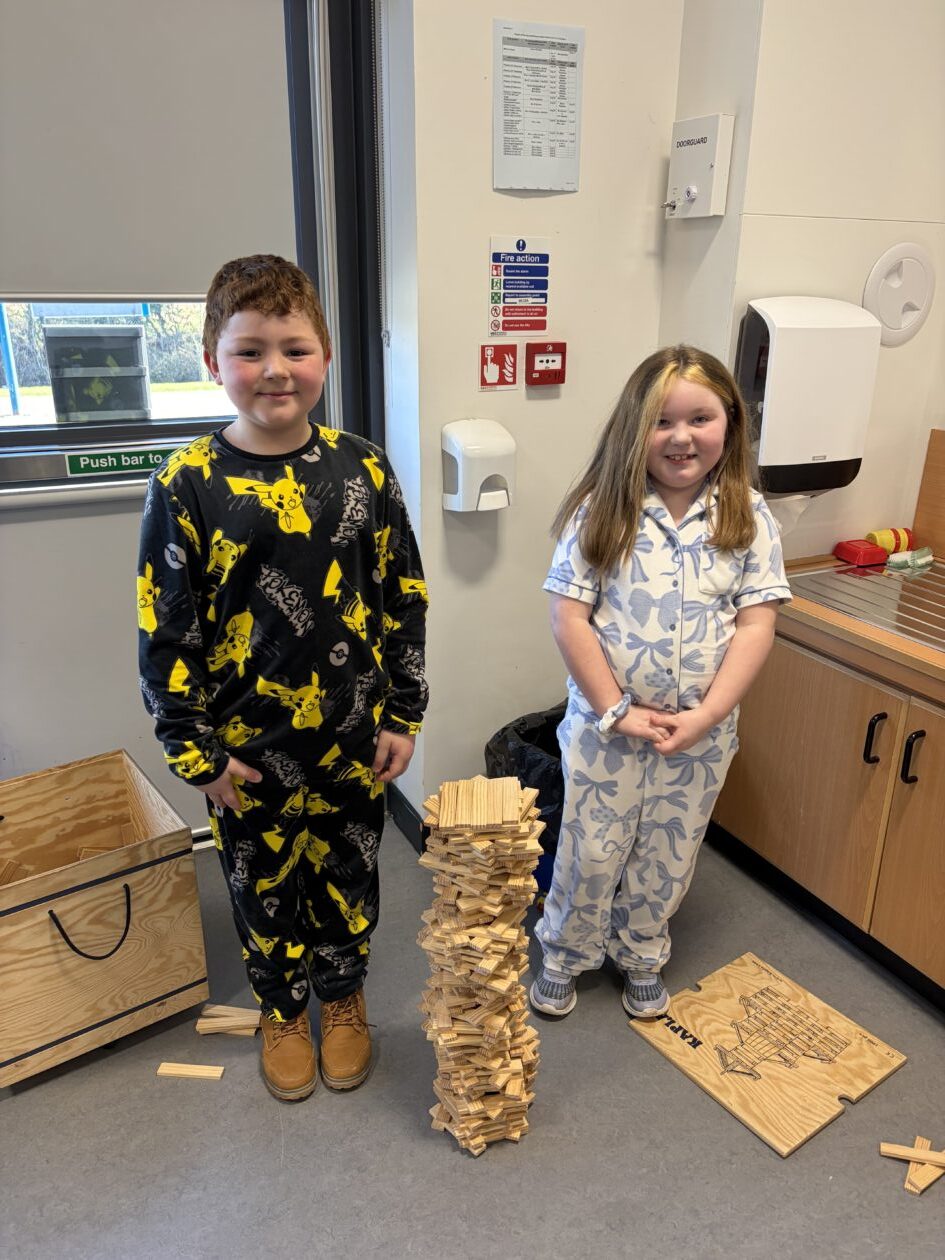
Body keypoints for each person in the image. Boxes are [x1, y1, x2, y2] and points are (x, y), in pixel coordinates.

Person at [137, 254, 428, 1101]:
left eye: (295, 349)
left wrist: (403, 713)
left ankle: (340, 996)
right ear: (212, 362)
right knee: (260, 888)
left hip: (351, 738)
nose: (275, 370)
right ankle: (280, 1007)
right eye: (250, 351)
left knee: (348, 876)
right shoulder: (186, 485)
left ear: (325, 356)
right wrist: (195, 754)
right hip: (246, 753)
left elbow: (402, 596)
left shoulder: (364, 470)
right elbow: (165, 631)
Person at [529, 345, 789, 1021]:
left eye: (699, 419)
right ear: (633, 429)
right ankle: (565, 950)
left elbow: (756, 626)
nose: (681, 437)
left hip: (697, 736)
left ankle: (641, 951)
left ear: (729, 423)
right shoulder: (601, 511)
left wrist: (707, 716)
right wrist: (614, 709)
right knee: (590, 848)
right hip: (606, 732)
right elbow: (568, 617)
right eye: (661, 421)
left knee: (668, 852)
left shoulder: (748, 516)